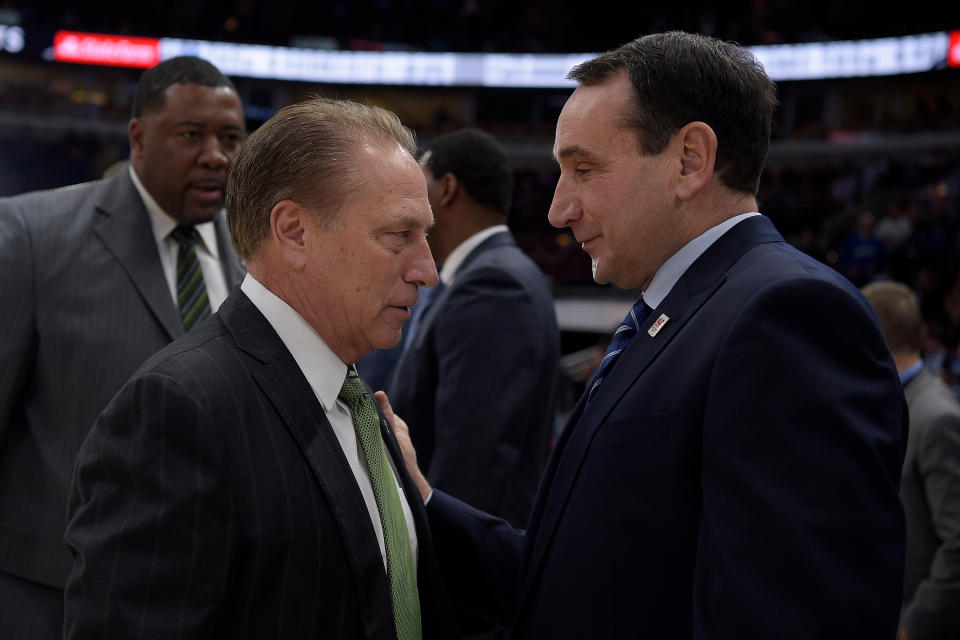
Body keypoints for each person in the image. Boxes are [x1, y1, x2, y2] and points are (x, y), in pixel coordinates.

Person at [382, 31, 907, 638]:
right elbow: (576, 585)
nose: (557, 209)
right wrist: (422, 500)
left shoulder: (788, 315)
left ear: (690, 160)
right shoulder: (682, 311)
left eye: (584, 168)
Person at [64, 98, 456, 639]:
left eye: (427, 236)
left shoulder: (357, 401)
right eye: (399, 235)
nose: (428, 270)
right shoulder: (178, 408)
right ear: (293, 231)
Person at [0, 56, 245, 640]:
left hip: (211, 600)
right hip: (51, 600)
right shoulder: (33, 236)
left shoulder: (259, 257)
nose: (216, 154)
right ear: (138, 137)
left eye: (231, 137)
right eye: (192, 135)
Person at [386, 128, 559, 528]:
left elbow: (473, 455)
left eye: (419, 178)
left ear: (446, 188)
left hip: (465, 555)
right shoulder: (489, 274)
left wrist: (441, 554)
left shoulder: (494, 286)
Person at [862, 280, 960, 640]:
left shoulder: (936, 418)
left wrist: (912, 626)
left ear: (872, 333)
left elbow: (958, 543)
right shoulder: (894, 401)